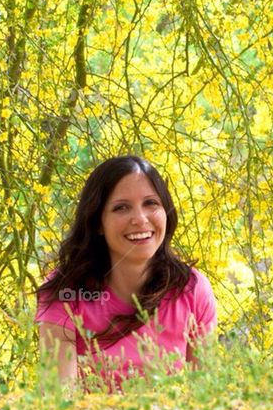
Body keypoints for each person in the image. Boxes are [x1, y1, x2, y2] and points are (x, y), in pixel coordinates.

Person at [34, 155, 217, 393]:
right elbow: (58, 399)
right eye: (121, 207)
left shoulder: (191, 289)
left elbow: (205, 398)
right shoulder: (66, 292)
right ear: (98, 222)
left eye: (151, 203)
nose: (140, 219)